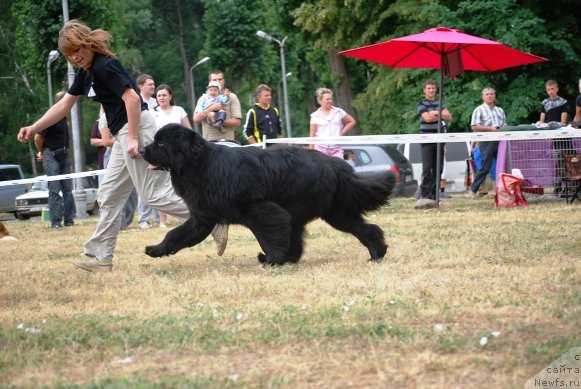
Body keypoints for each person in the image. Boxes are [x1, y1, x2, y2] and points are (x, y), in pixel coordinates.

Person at [16, 19, 226, 272]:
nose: (74, 58)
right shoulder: (86, 74)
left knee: (153, 195)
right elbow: (64, 105)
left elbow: (133, 99)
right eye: (68, 55)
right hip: (122, 133)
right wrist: (35, 127)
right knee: (108, 196)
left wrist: (135, 138)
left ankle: (213, 219)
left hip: (135, 128)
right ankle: (101, 259)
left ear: (87, 43)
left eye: (77, 50)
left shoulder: (105, 65)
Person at [33, 90, 74, 228]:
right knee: (55, 189)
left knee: (68, 189)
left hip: (63, 155)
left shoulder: (64, 117)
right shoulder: (50, 117)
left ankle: (69, 221)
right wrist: (41, 152)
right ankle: (56, 222)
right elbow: (37, 137)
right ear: (61, 102)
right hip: (51, 155)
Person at [416, 80, 452, 206]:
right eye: (429, 88)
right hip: (426, 139)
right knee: (427, 169)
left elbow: (449, 117)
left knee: (439, 168)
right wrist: (439, 114)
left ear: (436, 90)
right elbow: (427, 118)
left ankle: (434, 194)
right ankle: (424, 195)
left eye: (433, 88)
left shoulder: (440, 103)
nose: (431, 90)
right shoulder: (421, 103)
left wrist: (435, 112)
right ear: (424, 90)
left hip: (440, 138)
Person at [467, 87, 506, 198]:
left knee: (502, 165)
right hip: (486, 141)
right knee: (485, 166)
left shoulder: (500, 110)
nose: (489, 96)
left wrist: (502, 129)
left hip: (500, 140)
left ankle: (502, 190)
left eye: (491, 94)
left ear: (495, 96)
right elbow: (474, 126)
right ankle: (473, 190)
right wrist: (490, 128)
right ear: (483, 97)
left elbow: (505, 125)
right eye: (487, 94)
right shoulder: (478, 110)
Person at [135, 74, 160, 229]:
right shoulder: (136, 102)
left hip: (157, 147)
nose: (153, 86)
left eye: (153, 84)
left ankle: (158, 218)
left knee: (157, 183)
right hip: (143, 147)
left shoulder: (156, 103)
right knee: (144, 185)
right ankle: (144, 219)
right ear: (140, 86)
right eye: (149, 84)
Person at [539, 80, 571, 195]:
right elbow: (542, 121)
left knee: (566, 160)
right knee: (560, 160)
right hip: (551, 135)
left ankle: (564, 186)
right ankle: (558, 186)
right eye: (548, 89)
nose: (551, 91)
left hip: (562, 135)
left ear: (557, 89)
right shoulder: (544, 102)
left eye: (552, 89)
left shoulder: (563, 102)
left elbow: (563, 121)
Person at [193, 69, 242, 142]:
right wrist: (212, 108)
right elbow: (196, 119)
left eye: (220, 79)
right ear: (210, 82)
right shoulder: (203, 98)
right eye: (214, 80)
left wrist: (219, 121)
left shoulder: (231, 97)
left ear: (224, 81)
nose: (218, 82)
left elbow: (237, 122)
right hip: (209, 143)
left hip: (228, 142)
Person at [309, 87, 356, 158]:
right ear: (320, 101)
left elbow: (352, 121)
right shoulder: (315, 116)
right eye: (327, 99)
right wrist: (311, 153)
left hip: (336, 149)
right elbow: (312, 136)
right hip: (320, 150)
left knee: (339, 168)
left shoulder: (339, 111)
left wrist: (342, 132)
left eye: (331, 99)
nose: (330, 101)